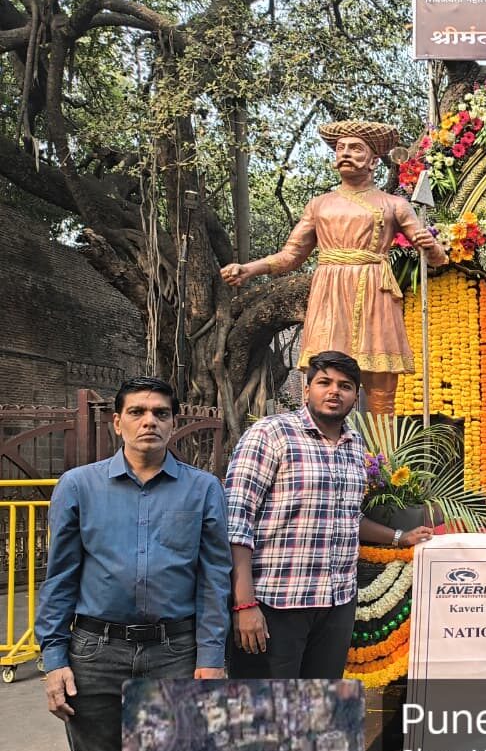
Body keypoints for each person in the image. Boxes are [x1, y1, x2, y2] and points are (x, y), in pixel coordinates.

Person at [37, 377, 231, 751]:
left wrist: (211, 658)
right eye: (137, 412)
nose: (149, 421)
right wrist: (55, 659)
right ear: (117, 422)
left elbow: (213, 579)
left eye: (161, 413)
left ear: (173, 422)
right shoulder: (78, 486)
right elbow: (60, 578)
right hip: (95, 656)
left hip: (175, 652)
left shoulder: (204, 489)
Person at [223, 351, 433, 679]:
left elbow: (347, 516)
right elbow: (237, 521)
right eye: (325, 382)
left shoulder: (354, 445)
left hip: (336, 605)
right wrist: (244, 603)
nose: (335, 391)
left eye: (345, 386)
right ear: (307, 390)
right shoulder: (271, 434)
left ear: (355, 395)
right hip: (276, 602)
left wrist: (400, 537)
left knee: (320, 704)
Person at [220, 120, 448, 414]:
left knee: (380, 384)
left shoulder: (394, 204)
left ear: (373, 160)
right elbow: (291, 255)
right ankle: (318, 439)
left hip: (374, 289)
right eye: (341, 148)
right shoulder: (319, 205)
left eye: (355, 148)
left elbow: (437, 259)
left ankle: (382, 444)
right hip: (329, 292)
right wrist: (250, 269)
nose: (346, 153)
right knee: (323, 375)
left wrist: (430, 247)